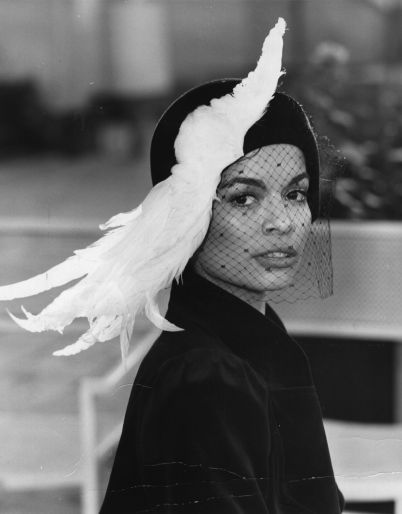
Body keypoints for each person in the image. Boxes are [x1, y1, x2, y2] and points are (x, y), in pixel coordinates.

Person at [0, 19, 343, 513]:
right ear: (187, 215)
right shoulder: (207, 377)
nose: (281, 222)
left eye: (295, 194)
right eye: (243, 198)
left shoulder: (249, 333)